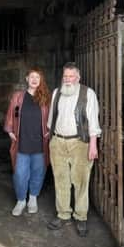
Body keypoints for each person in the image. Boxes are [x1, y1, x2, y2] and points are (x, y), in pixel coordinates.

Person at [46, 62, 101, 237]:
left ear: (78, 78)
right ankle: (63, 214)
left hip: (80, 143)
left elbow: (93, 121)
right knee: (60, 180)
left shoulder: (88, 93)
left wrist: (93, 145)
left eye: (71, 76)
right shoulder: (57, 93)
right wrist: (51, 137)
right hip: (58, 142)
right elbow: (51, 118)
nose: (68, 79)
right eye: (65, 76)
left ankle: (81, 216)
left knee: (81, 181)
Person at [3, 68, 51, 216]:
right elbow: (11, 114)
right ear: (26, 79)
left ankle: (33, 198)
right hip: (21, 142)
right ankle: (21, 200)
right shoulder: (18, 97)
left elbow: (52, 116)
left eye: (37, 77)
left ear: (41, 80)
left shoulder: (46, 98)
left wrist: (50, 129)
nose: (34, 79)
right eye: (32, 77)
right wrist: (10, 130)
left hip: (40, 143)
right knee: (19, 173)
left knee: (38, 172)